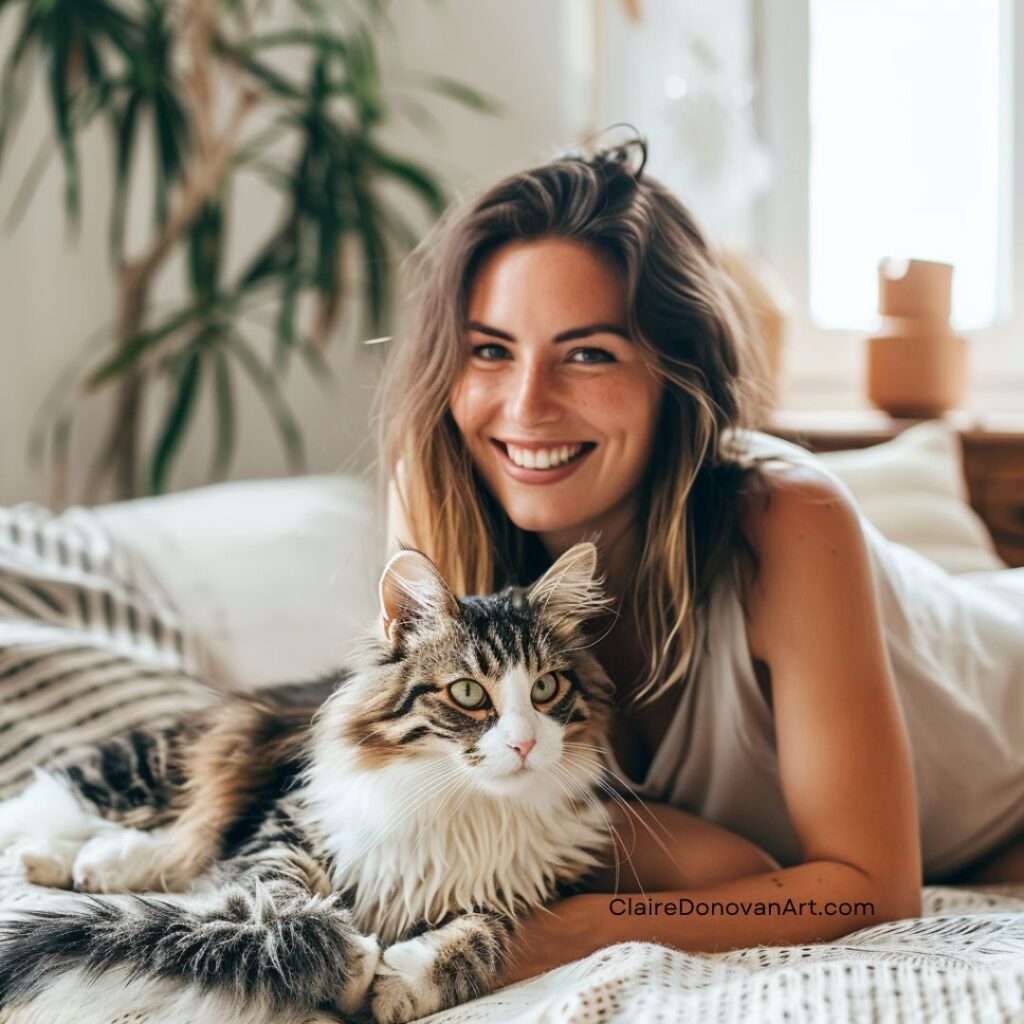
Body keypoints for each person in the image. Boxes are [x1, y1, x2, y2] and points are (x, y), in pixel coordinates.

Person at [378, 138, 1024, 984]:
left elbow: (869, 888)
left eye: (588, 353)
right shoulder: (436, 497)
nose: (526, 406)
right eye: (490, 350)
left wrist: (575, 931)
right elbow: (416, 802)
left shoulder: (786, 517)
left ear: (675, 378)